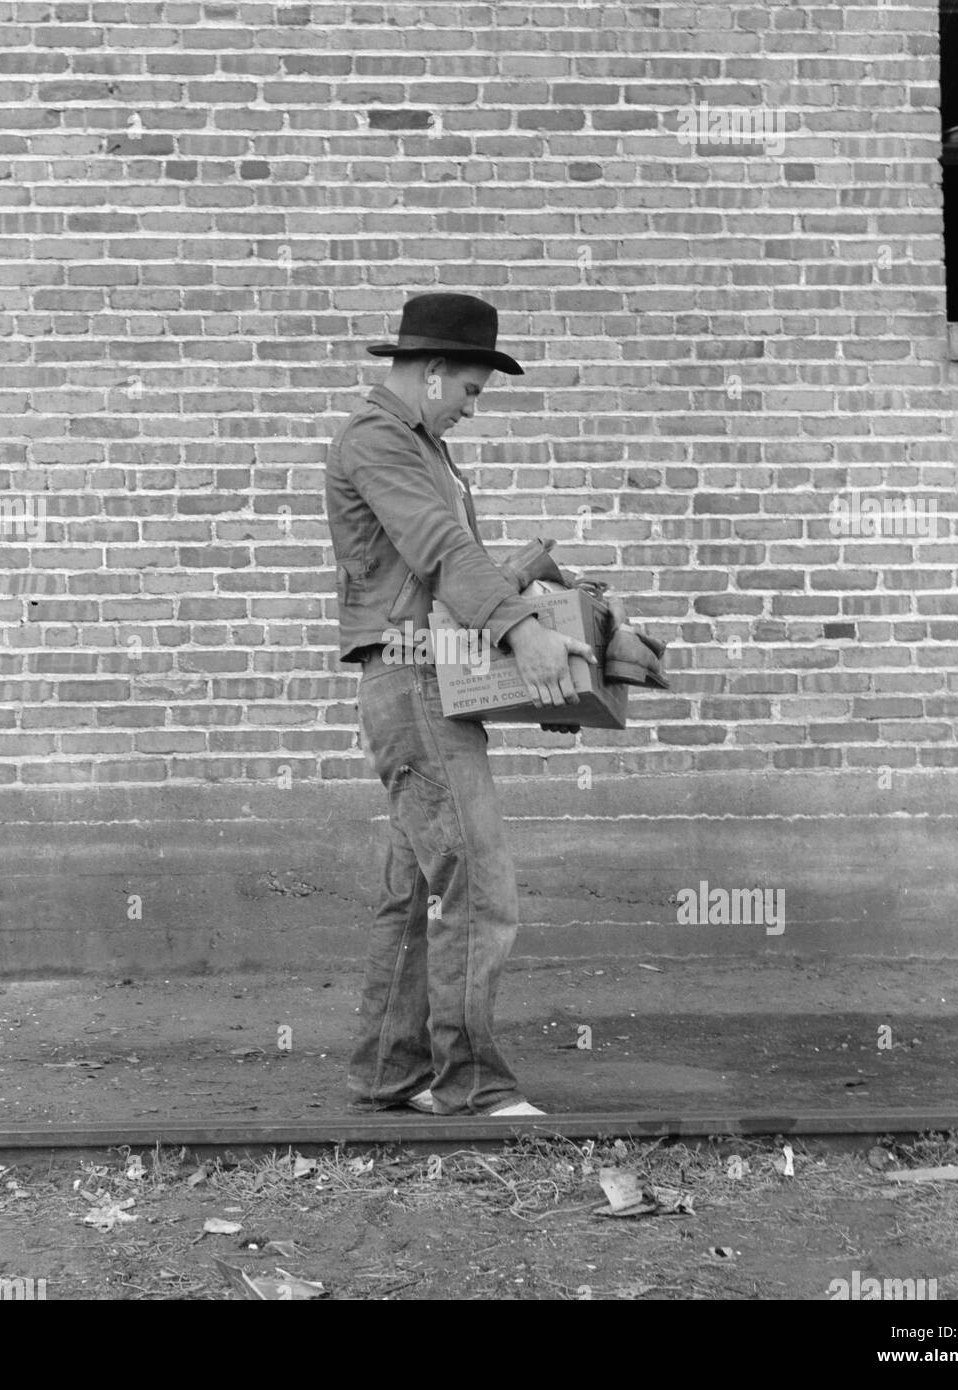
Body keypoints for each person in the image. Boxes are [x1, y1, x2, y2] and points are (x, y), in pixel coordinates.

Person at [324, 292, 597, 1117]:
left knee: (417, 893)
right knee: (476, 884)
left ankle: (389, 1070)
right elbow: (439, 552)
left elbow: (436, 571)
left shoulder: (418, 448)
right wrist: (521, 631)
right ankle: (471, 1084)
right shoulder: (379, 440)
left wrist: (529, 582)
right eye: (470, 392)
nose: (472, 410)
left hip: (427, 675)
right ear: (433, 372)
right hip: (413, 684)